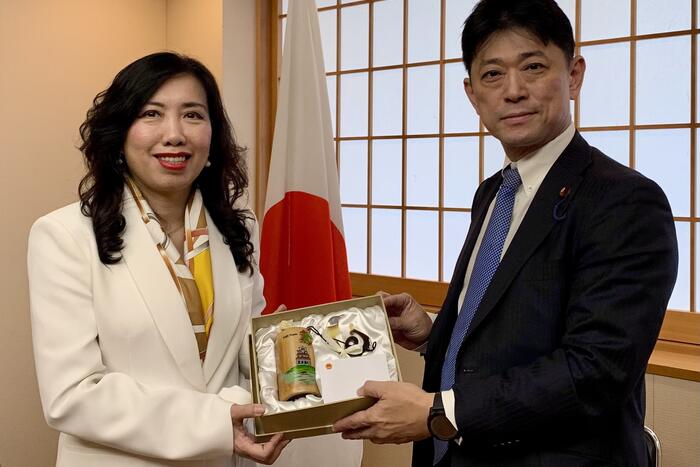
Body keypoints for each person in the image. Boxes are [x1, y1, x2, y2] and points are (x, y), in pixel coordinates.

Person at [333, 1, 678, 466]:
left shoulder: (625, 200)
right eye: (492, 74)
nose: (513, 91)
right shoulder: (494, 192)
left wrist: (441, 412)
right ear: (472, 93)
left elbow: (595, 370)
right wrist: (434, 335)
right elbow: (517, 326)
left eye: (533, 67)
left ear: (574, 75)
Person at [27, 52, 287, 467]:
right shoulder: (64, 235)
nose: (174, 134)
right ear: (119, 133)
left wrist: (320, 341)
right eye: (151, 114)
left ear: (213, 134)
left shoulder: (239, 226)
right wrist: (215, 422)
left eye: (193, 115)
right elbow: (72, 396)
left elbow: (246, 349)